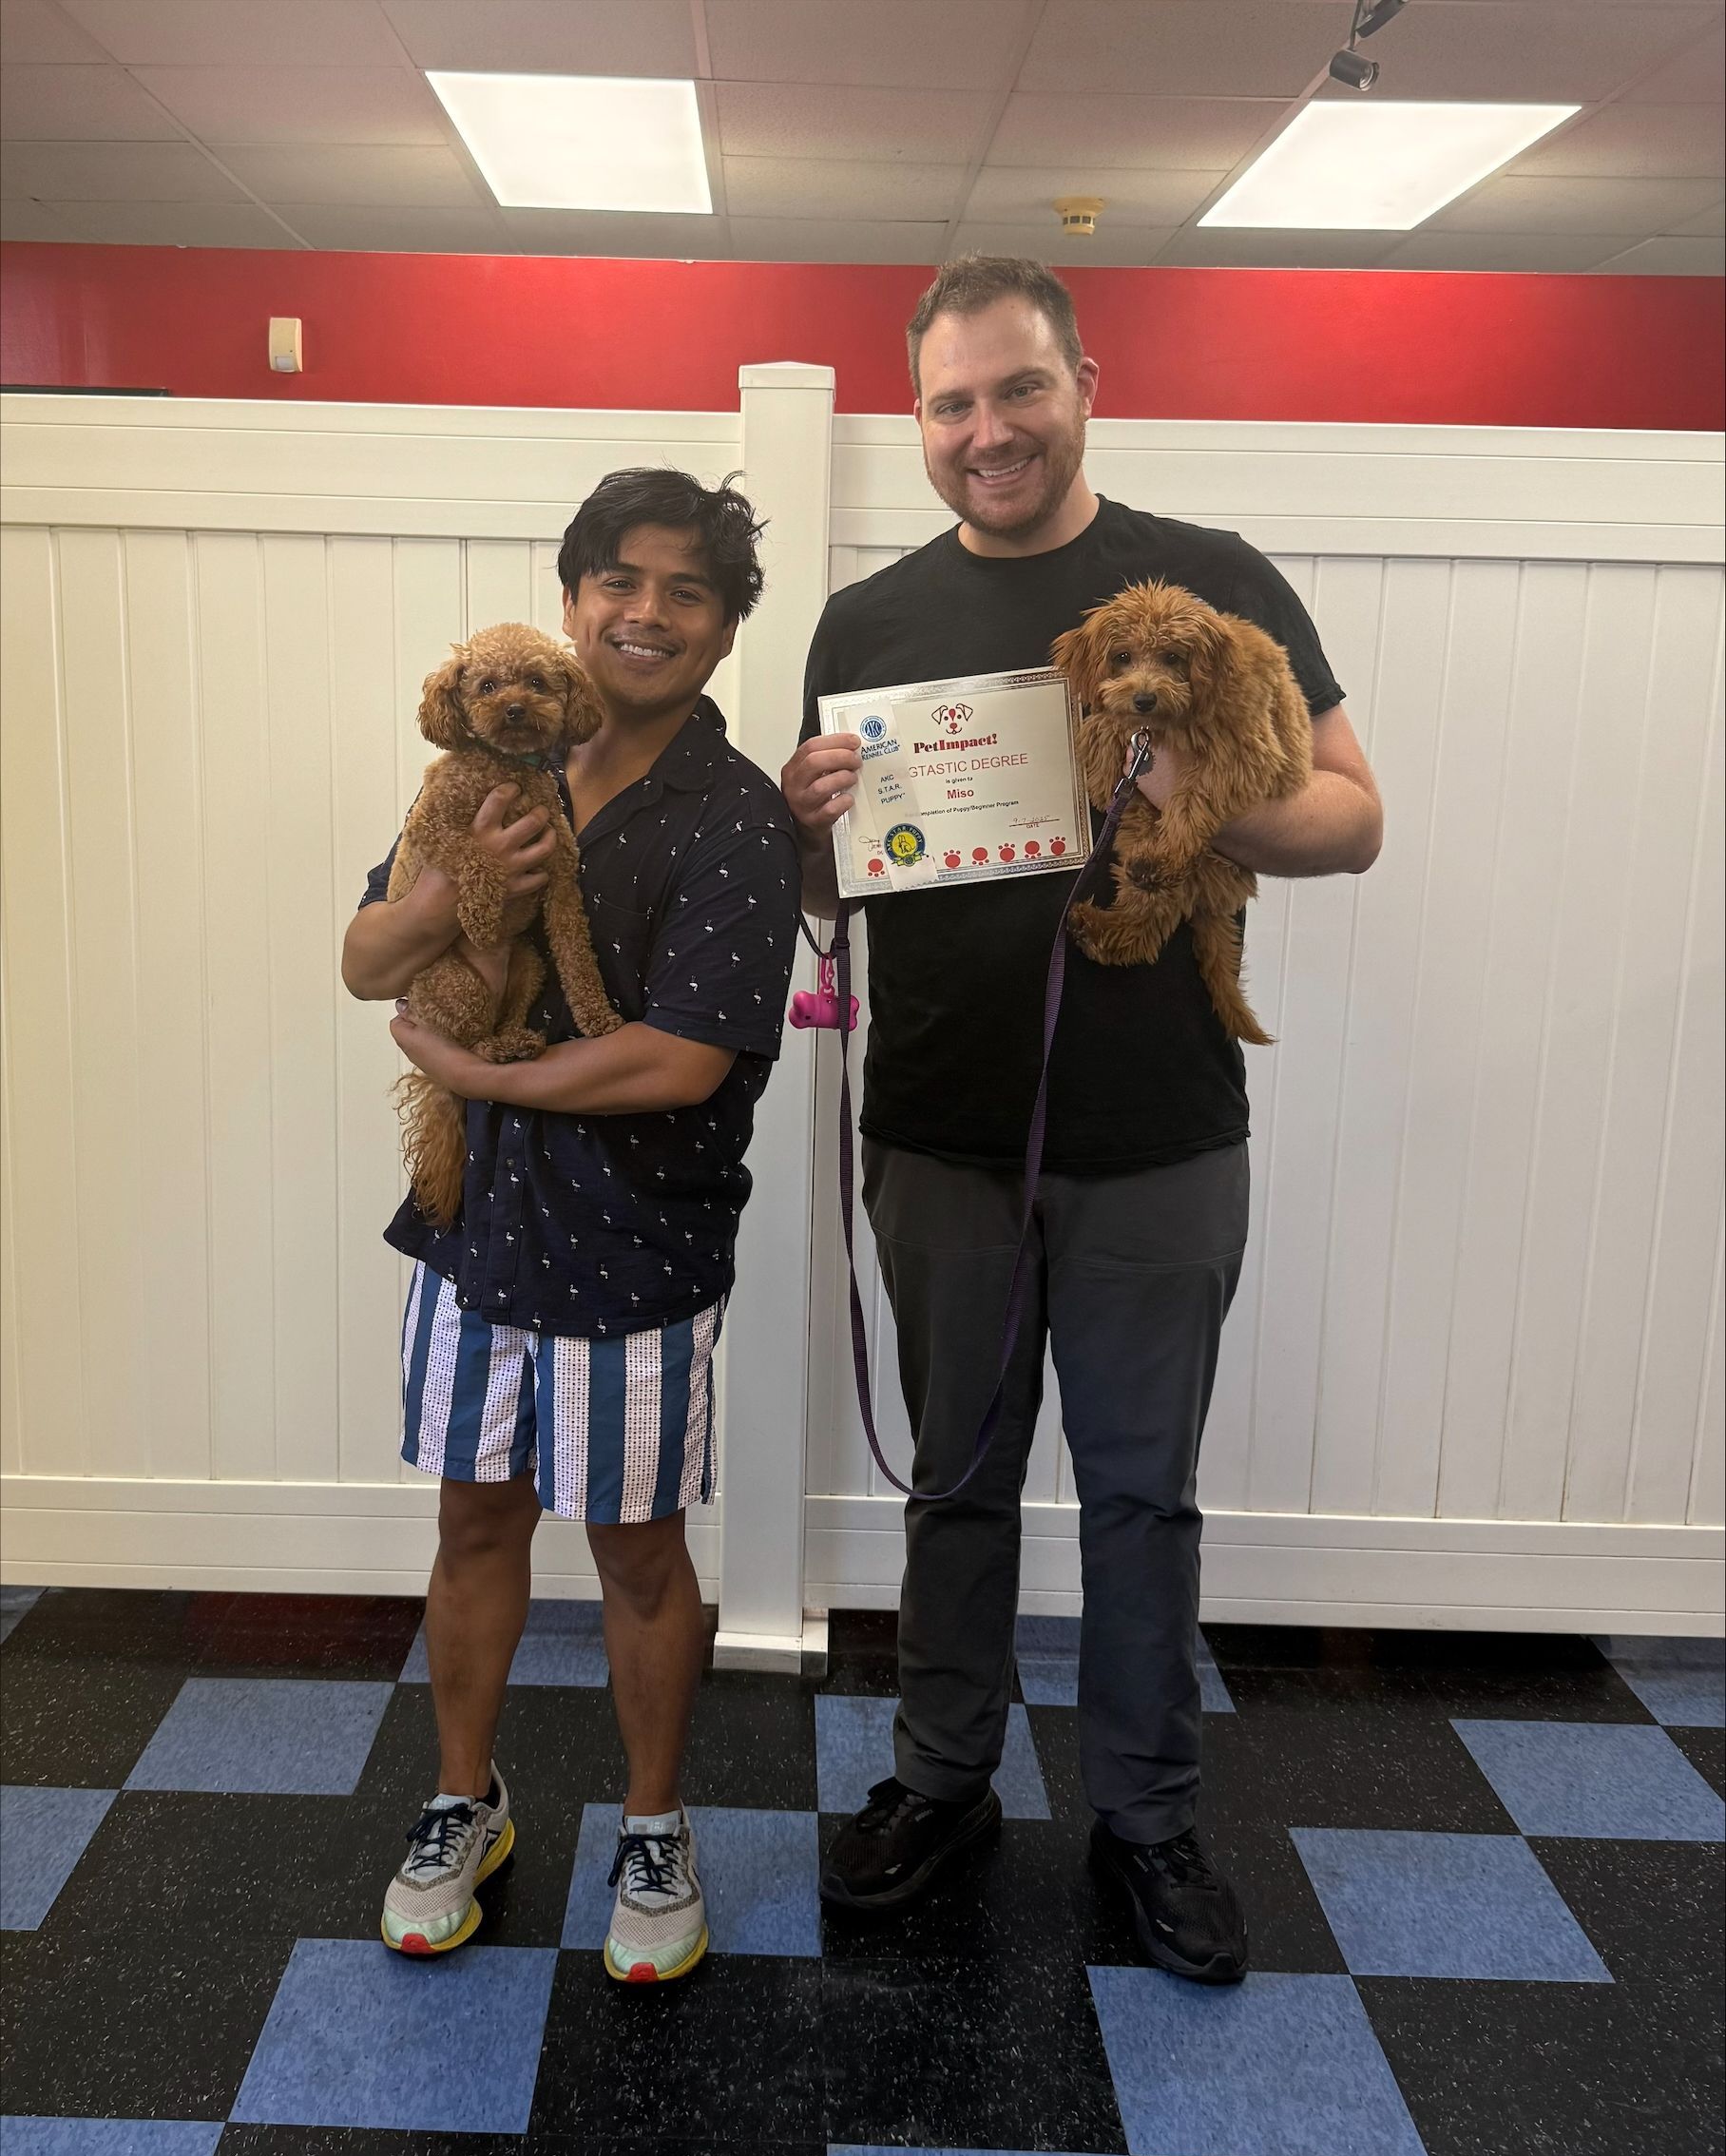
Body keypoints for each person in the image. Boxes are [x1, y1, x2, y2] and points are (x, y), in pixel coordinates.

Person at [782, 257, 1383, 1983]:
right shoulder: (869, 623)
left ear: (1085, 385)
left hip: (1167, 1138)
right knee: (954, 1493)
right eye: (954, 404)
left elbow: (1353, 817)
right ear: (919, 422)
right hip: (938, 1136)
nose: (990, 432)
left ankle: (1148, 1823)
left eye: (1018, 392)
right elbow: (832, 880)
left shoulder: (1209, 579)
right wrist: (805, 824)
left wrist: (1219, 796)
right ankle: (941, 1783)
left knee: (1143, 1500)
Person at [342, 469, 799, 1980]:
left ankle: (655, 1828)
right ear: (570, 603)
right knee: (474, 1522)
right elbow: (364, 956)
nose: (644, 610)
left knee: (637, 1551)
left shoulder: (737, 819)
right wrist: (458, 891)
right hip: (472, 1232)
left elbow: (684, 1054)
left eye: (684, 589)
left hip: (637, 1249)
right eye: (618, 579)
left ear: (725, 628)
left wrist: (476, 1070)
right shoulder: (483, 766)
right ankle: (463, 1801)